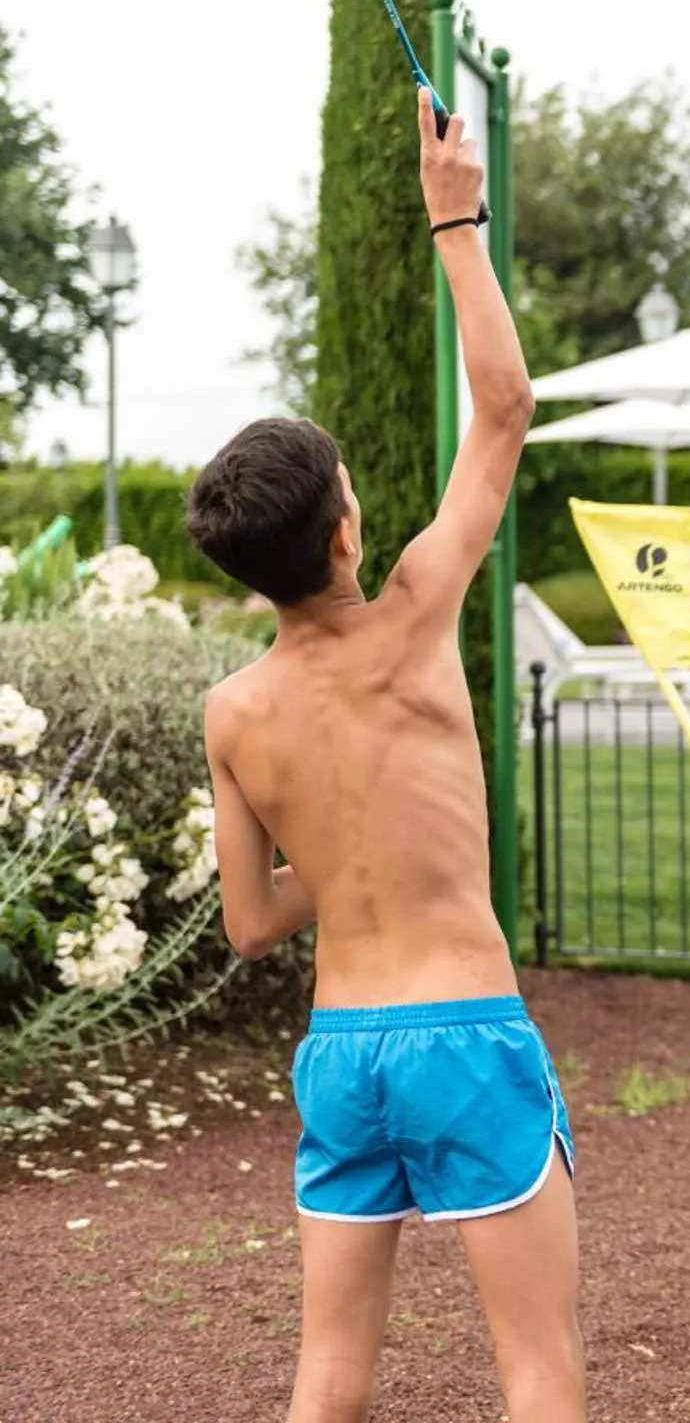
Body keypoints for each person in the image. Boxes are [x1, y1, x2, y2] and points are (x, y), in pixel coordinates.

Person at [184, 91, 584, 1422]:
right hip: (464, 1030)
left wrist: (341, 860)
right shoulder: (413, 613)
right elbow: (507, 407)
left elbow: (249, 924)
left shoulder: (234, 712)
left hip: (341, 1051)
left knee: (327, 1378)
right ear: (348, 533)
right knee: (534, 1369)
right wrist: (455, 217)